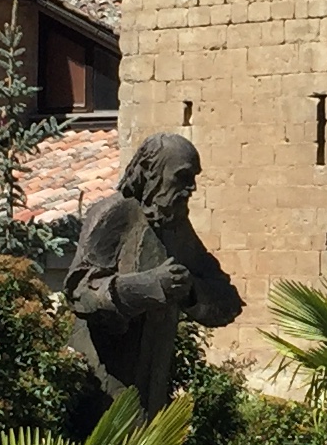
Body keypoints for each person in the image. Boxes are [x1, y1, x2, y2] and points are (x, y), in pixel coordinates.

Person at [63, 130, 241, 414]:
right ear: (150, 172)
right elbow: (79, 291)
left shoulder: (176, 228)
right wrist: (149, 286)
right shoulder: (114, 214)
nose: (192, 188)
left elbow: (227, 300)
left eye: (194, 178)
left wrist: (191, 291)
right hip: (102, 387)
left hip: (153, 389)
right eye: (183, 177)